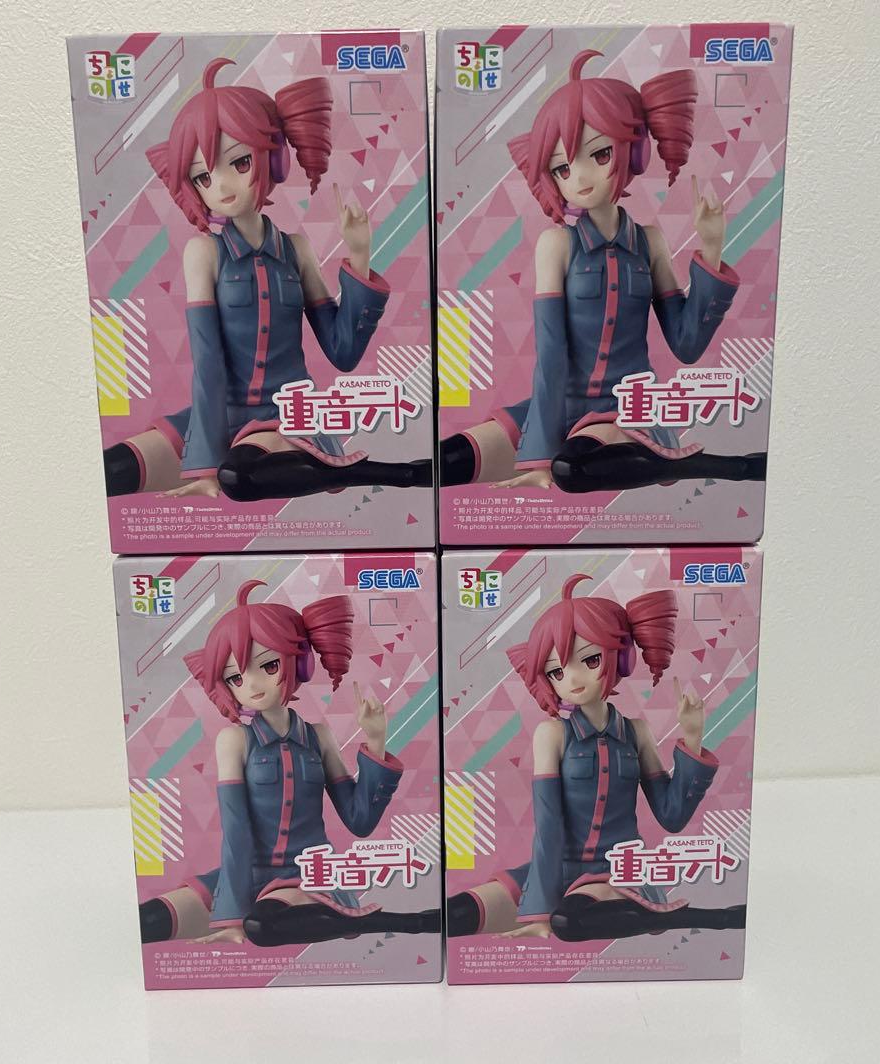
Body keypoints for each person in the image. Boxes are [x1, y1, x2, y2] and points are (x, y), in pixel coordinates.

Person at [104, 57, 430, 502]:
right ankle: (352, 470)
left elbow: (343, 351)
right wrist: (204, 460)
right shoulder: (204, 252)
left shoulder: (295, 250)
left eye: (239, 163)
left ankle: (384, 473)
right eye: (203, 175)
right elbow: (207, 361)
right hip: (215, 412)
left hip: (286, 416)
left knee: (238, 478)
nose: (222, 186)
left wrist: (359, 254)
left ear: (273, 159)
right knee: (112, 470)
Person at [439, 50, 764, 493]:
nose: (580, 177)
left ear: (634, 151)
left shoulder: (649, 242)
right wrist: (539, 451)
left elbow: (686, 343)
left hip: (625, 412)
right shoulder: (557, 244)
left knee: (570, 470)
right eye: (562, 167)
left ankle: (723, 465)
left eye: (600, 153)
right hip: (554, 406)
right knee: (445, 462)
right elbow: (550, 354)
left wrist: (711, 248)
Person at [138, 580, 439, 946]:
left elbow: (359, 820)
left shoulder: (318, 737)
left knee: (261, 927)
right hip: (242, 874)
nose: (252, 684)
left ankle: (405, 922)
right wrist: (232, 912)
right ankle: (357, 919)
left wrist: (376, 741)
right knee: (148, 920)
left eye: (268, 665)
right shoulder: (235, 740)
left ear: (301, 662)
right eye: (236, 676)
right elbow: (235, 830)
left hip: (306, 876)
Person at [446, 574, 744, 941]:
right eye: (557, 670)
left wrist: (693, 739)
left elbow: (672, 814)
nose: (572, 679)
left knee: (568, 923)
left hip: (616, 874)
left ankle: (706, 916)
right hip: (554, 869)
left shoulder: (636, 732)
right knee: (455, 915)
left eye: (589, 660)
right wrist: (539, 907)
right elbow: (548, 825)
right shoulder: (552, 734)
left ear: (622, 658)